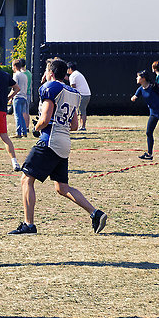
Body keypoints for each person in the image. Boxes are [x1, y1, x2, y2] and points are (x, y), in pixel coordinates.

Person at [9, 58, 107, 235]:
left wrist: (37, 127)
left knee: (26, 179)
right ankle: (95, 213)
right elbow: (74, 125)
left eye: (47, 71)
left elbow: (45, 118)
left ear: (51, 73)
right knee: (62, 187)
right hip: (64, 142)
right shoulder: (73, 92)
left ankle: (29, 224)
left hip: (50, 140)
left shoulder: (51, 87)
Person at [131, 69, 159, 160]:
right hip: (153, 113)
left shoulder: (153, 87)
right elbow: (135, 96)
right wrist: (134, 97)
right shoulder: (141, 89)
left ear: (143, 78)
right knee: (149, 132)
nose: (136, 78)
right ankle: (149, 154)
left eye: (138, 77)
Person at [66, 61, 91, 131]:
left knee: (81, 112)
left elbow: (73, 87)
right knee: (81, 111)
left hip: (82, 95)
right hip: (86, 95)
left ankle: (82, 127)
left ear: (70, 68)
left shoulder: (73, 75)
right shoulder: (77, 73)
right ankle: (81, 126)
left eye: (67, 69)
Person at [11, 58, 29, 138]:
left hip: (17, 97)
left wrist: (10, 96)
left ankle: (18, 132)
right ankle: (24, 131)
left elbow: (14, 87)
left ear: (15, 66)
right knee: (21, 115)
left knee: (17, 115)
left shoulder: (16, 75)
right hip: (24, 97)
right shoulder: (24, 75)